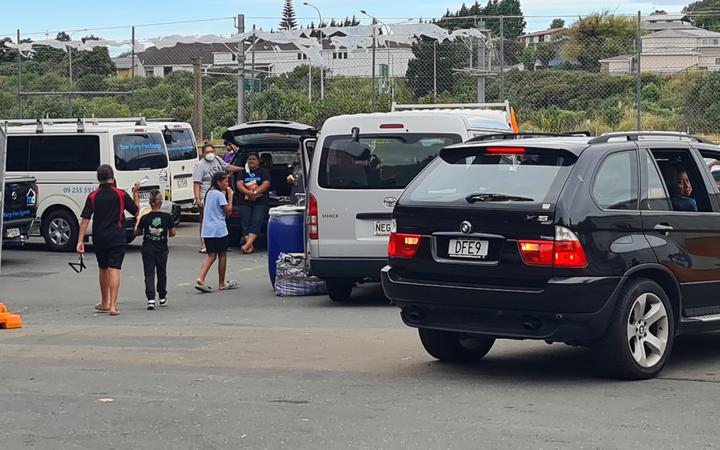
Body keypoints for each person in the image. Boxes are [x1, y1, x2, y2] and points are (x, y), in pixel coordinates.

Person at [77, 165, 140, 316]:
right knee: (114, 269)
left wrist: (80, 240)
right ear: (112, 177)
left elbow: (85, 219)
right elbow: (136, 210)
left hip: (99, 237)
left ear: (99, 178)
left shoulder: (93, 196)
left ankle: (104, 302)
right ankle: (113, 305)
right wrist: (136, 193)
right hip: (117, 236)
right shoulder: (120, 194)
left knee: (103, 268)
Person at [193, 143, 242, 253]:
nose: (210, 154)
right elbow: (196, 183)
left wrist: (242, 169)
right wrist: (197, 198)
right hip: (206, 196)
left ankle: (221, 243)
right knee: (205, 219)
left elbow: (228, 167)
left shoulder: (218, 160)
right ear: (203, 153)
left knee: (221, 218)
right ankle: (204, 244)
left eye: (211, 151)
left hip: (220, 195)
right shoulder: (200, 165)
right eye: (207, 152)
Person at [195, 171, 238, 292]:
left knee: (211, 255)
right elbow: (228, 211)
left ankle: (201, 277)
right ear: (218, 182)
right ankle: (221, 282)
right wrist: (230, 196)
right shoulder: (219, 195)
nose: (227, 183)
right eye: (225, 181)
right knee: (222, 255)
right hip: (219, 229)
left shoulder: (209, 193)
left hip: (207, 229)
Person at [135, 190, 176, 310]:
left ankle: (150, 299)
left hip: (148, 247)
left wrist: (138, 221)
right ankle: (162, 296)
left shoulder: (145, 217)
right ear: (161, 202)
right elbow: (173, 233)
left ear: (149, 203)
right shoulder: (167, 217)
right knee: (161, 272)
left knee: (149, 273)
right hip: (162, 248)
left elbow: (137, 232)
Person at [235, 152, 271, 254]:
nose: (251, 161)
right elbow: (239, 184)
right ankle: (249, 246)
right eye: (249, 159)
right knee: (246, 223)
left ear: (258, 161)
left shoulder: (263, 172)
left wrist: (255, 193)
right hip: (244, 201)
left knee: (257, 221)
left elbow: (266, 183)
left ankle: (247, 245)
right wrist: (248, 193)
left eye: (254, 159)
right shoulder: (243, 172)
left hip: (260, 201)